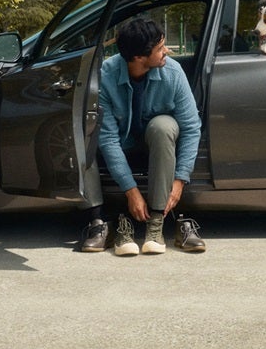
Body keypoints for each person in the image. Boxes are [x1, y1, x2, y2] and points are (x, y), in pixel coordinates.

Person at [76, 15, 206, 255]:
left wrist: (180, 180)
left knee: (164, 125)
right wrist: (131, 190)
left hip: (158, 142)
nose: (166, 51)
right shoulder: (107, 75)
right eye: (159, 48)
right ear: (138, 57)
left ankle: (156, 223)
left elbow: (191, 127)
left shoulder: (173, 73)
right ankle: (98, 223)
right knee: (85, 135)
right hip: (123, 143)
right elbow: (108, 139)